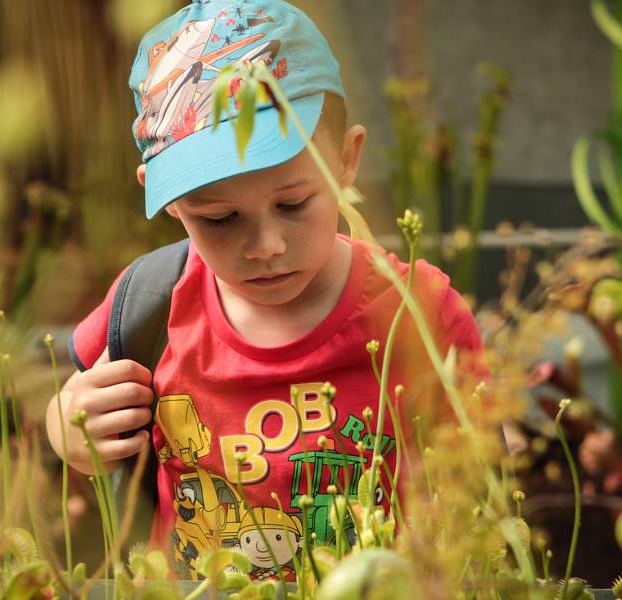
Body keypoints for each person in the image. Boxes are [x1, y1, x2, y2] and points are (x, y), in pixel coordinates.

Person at [46, 0, 485, 580]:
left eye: (294, 204)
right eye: (220, 219)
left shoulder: (416, 315)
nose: (266, 245)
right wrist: (70, 432)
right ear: (169, 200)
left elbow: (484, 482)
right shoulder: (152, 302)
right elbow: (71, 404)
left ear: (347, 160)